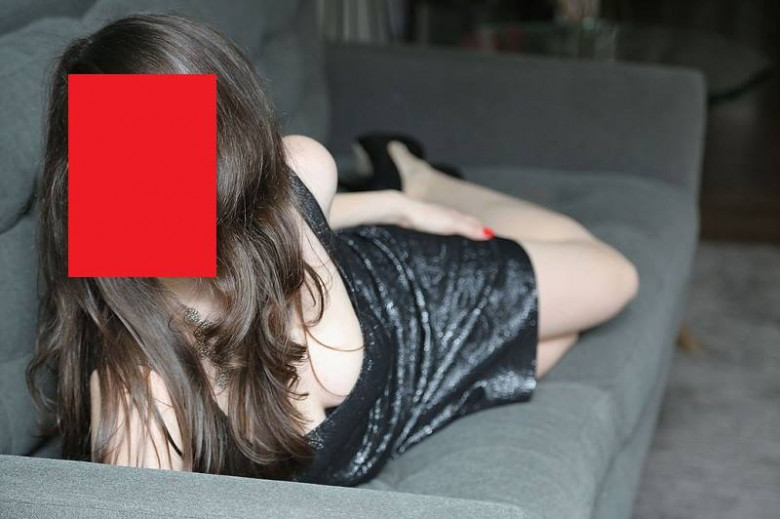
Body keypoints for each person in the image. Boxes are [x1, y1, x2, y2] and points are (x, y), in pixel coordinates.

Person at [27, 13, 639, 486]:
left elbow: (288, 201)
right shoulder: (141, 395)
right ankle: (410, 182)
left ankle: (418, 178)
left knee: (614, 278)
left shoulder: (287, 178)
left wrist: (392, 205)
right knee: (553, 342)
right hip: (398, 407)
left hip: (412, 299)